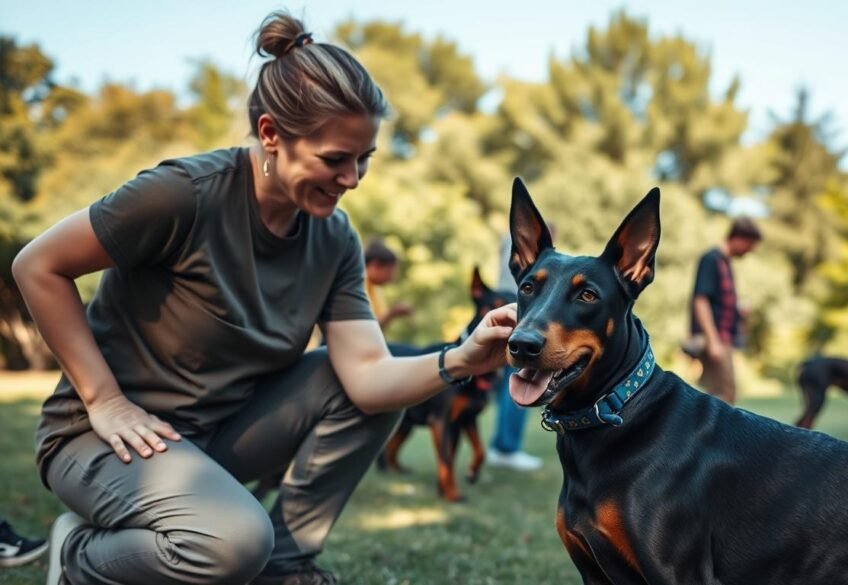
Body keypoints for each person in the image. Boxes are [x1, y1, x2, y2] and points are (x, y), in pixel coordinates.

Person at [12, 12, 515, 585]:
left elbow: (369, 377)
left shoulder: (334, 239)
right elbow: (38, 265)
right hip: (105, 439)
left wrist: (462, 358)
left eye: (365, 158)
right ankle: (77, 555)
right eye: (335, 159)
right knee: (232, 543)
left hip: (211, 440)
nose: (353, 178)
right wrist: (103, 399)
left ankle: (285, 565)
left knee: (351, 386)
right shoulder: (183, 196)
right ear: (271, 134)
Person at [689, 217, 762, 405]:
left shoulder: (725, 263)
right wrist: (713, 341)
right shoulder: (711, 259)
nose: (751, 250)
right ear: (739, 238)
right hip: (716, 339)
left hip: (724, 338)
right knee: (724, 394)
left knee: (721, 393)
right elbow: (700, 300)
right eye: (750, 245)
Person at [486, 233, 542, 471]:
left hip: (515, 314)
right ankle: (506, 448)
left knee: (512, 380)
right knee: (520, 376)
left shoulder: (510, 240)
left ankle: (503, 445)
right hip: (520, 316)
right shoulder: (523, 242)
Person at [363, 238, 414, 332]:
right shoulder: (358, 282)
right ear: (375, 265)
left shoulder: (375, 288)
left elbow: (379, 327)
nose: (391, 278)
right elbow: (365, 326)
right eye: (389, 271)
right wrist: (392, 313)